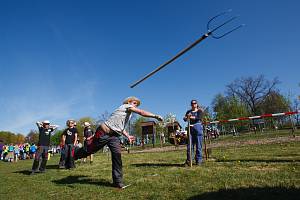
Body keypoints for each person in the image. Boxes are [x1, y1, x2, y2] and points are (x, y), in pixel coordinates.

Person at [74, 96, 163, 189]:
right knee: (90, 150)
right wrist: (155, 116)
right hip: (103, 132)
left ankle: (118, 182)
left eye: (136, 105)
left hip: (114, 136)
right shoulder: (125, 106)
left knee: (117, 156)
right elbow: (141, 112)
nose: (136, 106)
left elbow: (120, 128)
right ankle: (76, 153)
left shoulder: (127, 114)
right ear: (129, 102)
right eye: (135, 103)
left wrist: (128, 136)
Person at [183, 99, 204, 166]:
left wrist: (190, 117)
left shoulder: (200, 111)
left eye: (194, 103)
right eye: (192, 103)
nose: (193, 104)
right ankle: (189, 160)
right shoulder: (188, 111)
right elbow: (185, 119)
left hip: (198, 128)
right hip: (190, 129)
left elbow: (198, 118)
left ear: (197, 104)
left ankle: (199, 160)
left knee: (198, 145)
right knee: (190, 145)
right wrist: (186, 118)